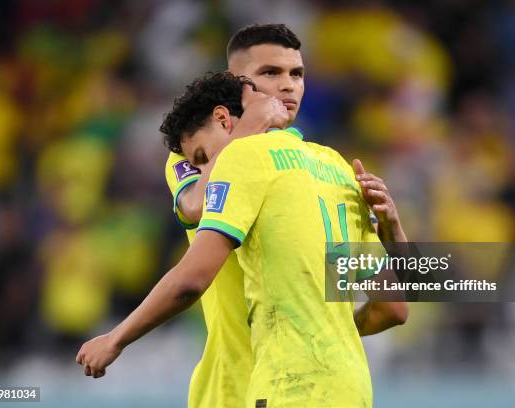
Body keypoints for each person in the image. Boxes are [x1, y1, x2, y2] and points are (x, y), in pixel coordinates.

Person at [77, 71, 405, 407]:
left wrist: (116, 339)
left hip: (287, 387)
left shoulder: (241, 159)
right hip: (352, 388)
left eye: (204, 157)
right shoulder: (337, 167)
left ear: (223, 117)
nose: (208, 169)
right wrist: (393, 233)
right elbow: (395, 308)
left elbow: (191, 280)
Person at [163, 23, 408, 407]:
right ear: (235, 83)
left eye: (297, 74)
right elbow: (195, 205)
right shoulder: (195, 150)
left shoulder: (324, 168)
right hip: (231, 387)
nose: (289, 85)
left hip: (284, 383)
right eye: (270, 73)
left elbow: (392, 307)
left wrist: (316, 330)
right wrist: (249, 127)